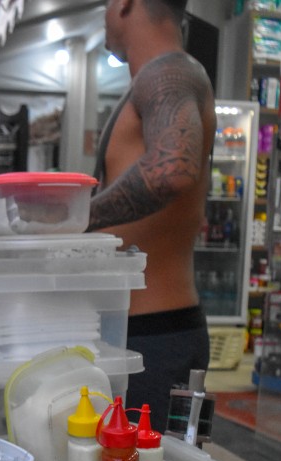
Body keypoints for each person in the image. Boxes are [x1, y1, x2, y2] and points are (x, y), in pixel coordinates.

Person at [87, 0, 216, 428]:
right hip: (148, 336)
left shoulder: (168, 72)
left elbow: (172, 169)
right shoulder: (157, 76)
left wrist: (76, 218)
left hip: (156, 340)